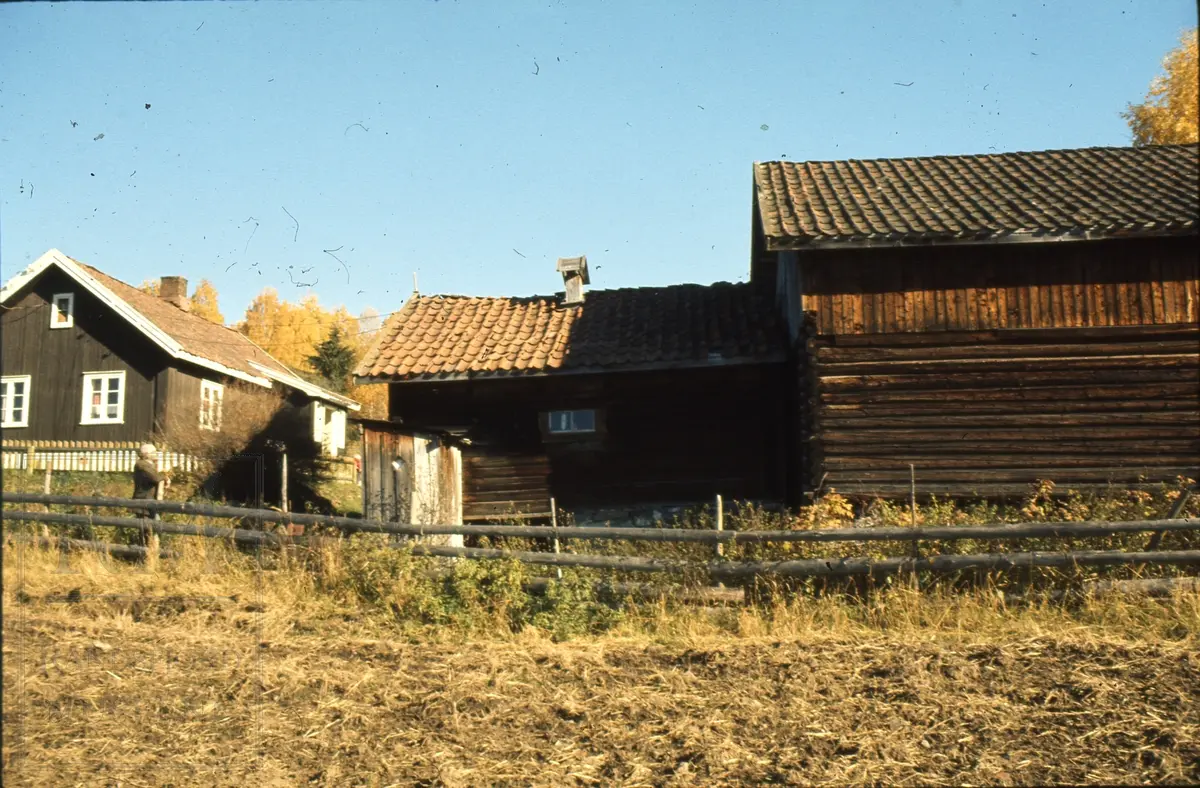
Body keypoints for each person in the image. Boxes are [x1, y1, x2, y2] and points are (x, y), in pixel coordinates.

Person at [132, 443, 168, 546]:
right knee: (145, 531)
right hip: (143, 503)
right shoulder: (142, 465)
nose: (156, 454)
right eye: (153, 452)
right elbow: (155, 477)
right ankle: (144, 555)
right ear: (146, 454)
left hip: (149, 503)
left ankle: (148, 554)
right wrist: (165, 477)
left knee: (150, 530)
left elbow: (156, 477)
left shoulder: (149, 465)